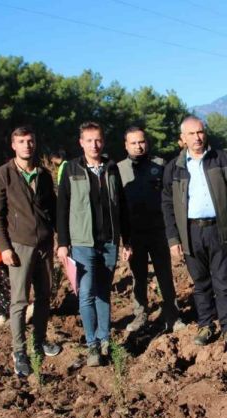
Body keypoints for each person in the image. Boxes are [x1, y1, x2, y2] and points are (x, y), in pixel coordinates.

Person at [162, 115, 227, 348]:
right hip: (190, 233)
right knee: (200, 283)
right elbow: (168, 205)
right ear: (183, 138)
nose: (197, 137)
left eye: (200, 132)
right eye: (191, 134)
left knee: (223, 280)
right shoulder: (174, 168)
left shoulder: (222, 159)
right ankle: (206, 325)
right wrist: (173, 238)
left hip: (218, 229)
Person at [56, 121, 132, 367]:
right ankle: (92, 346)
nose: (94, 144)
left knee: (103, 293)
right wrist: (63, 243)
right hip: (82, 242)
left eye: (98, 140)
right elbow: (62, 208)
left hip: (108, 242)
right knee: (86, 293)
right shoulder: (70, 169)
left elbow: (121, 206)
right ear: (81, 143)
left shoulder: (111, 168)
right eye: (89, 140)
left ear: (103, 141)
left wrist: (125, 240)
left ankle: (104, 338)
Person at [0, 126, 61, 377]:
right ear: (13, 146)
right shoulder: (3, 174)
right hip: (19, 246)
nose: (27, 146)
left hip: (44, 244)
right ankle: (19, 350)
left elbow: (52, 208)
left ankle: (39, 341)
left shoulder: (43, 175)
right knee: (19, 301)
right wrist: (5, 247)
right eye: (21, 142)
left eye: (30, 141)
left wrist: (59, 238)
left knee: (44, 296)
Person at [117, 126, 184, 333]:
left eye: (141, 142)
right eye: (133, 143)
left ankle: (172, 314)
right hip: (133, 233)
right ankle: (140, 314)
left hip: (158, 231)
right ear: (126, 145)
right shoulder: (118, 169)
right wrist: (122, 238)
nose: (138, 146)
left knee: (164, 273)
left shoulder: (160, 165)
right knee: (138, 276)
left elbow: (170, 197)